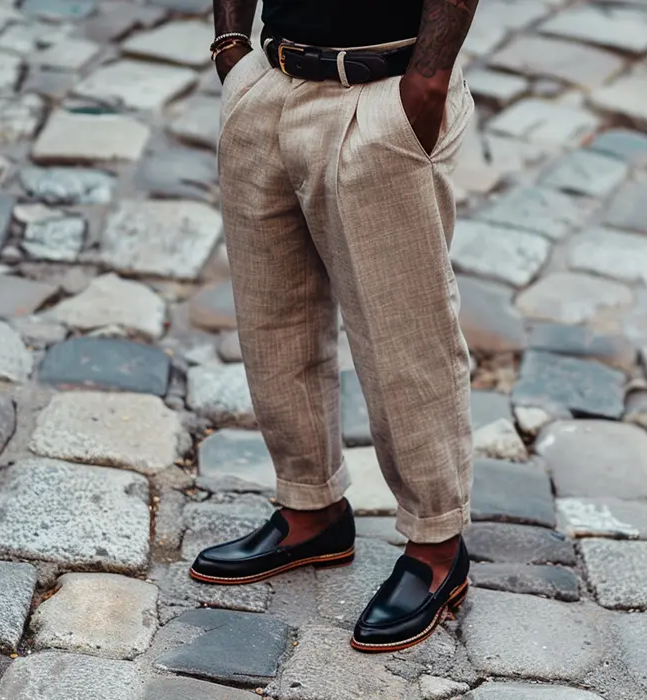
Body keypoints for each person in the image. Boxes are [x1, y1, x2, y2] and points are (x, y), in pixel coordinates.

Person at [191, 0, 480, 653]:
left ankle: (437, 545)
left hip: (385, 93)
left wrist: (427, 81)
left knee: (405, 333)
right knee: (272, 316)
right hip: (272, 82)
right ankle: (310, 508)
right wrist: (231, 49)